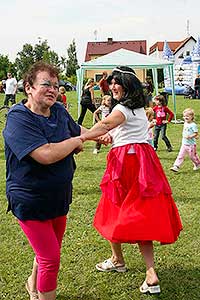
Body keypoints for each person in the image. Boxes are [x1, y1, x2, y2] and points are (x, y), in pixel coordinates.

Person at [79, 66, 182, 294]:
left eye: (117, 83)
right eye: (112, 82)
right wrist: (105, 136)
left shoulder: (123, 109)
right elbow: (117, 133)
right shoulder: (137, 109)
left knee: (113, 207)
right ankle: (147, 270)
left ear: (129, 87)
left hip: (127, 163)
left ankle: (120, 261)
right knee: (139, 212)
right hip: (144, 161)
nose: (113, 86)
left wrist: (83, 135)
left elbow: (106, 125)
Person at [3, 62, 88, 300]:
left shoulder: (59, 110)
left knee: (48, 252)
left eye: (56, 85)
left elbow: (75, 129)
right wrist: (78, 141)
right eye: (46, 84)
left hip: (58, 196)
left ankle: (33, 284)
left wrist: (96, 133)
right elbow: (46, 154)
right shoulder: (18, 118)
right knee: (51, 259)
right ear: (28, 87)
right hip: (30, 198)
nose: (53, 89)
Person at [170, 108, 200, 172]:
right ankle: (176, 166)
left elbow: (196, 133)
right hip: (184, 144)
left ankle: (197, 164)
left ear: (192, 117)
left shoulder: (193, 125)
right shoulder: (185, 123)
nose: (185, 117)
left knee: (192, 157)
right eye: (184, 116)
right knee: (180, 155)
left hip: (191, 145)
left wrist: (190, 136)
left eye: (187, 116)